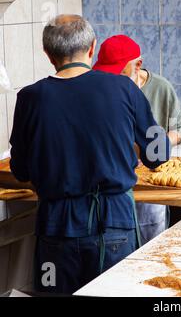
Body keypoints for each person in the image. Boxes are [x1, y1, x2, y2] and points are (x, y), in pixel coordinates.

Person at [9, 15, 170, 295]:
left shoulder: (29, 98)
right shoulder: (124, 89)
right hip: (114, 226)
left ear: (48, 54)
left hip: (56, 229)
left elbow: (20, 170)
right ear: (93, 48)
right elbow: (158, 153)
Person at [93, 35, 181, 245]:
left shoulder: (160, 88)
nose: (113, 79)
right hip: (117, 183)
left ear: (138, 65)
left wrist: (156, 145)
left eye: (118, 72)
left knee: (150, 246)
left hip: (150, 181)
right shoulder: (102, 90)